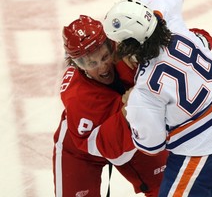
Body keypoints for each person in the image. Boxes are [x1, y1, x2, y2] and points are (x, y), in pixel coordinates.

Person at [103, 0, 212, 197]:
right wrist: (143, 15)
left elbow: (151, 145)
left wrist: (130, 114)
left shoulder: (143, 91)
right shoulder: (177, 28)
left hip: (199, 162)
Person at [52, 15, 169, 197]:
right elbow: (113, 151)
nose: (102, 67)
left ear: (111, 44)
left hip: (132, 131)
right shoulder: (78, 99)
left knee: (168, 189)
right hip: (82, 151)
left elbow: (164, 33)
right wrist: (131, 106)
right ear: (78, 65)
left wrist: (199, 39)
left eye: (105, 56)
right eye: (91, 63)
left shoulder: (126, 51)